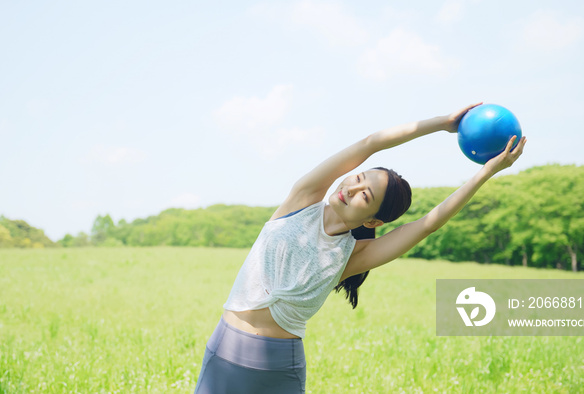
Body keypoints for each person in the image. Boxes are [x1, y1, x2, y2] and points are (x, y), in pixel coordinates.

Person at [194, 103, 527, 394]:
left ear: (372, 222)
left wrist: (486, 172)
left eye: (365, 196)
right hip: (225, 350)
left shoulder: (353, 256)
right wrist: (442, 123)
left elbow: (428, 223)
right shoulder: (303, 199)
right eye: (358, 179)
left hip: (279, 369)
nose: (351, 188)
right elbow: (371, 143)